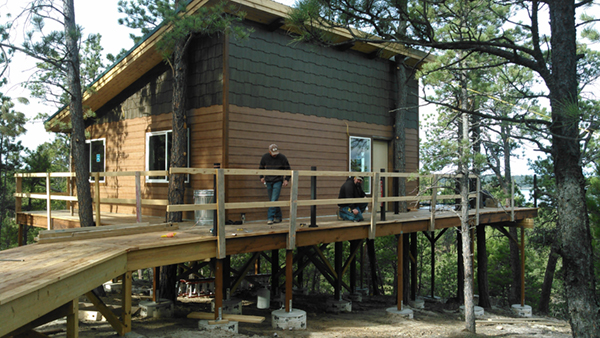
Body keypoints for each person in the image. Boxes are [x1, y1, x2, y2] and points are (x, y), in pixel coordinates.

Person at [259, 144, 291, 225]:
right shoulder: (265, 157)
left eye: (276, 153)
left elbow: (288, 169)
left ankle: (270, 218)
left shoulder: (282, 158)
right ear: (269, 151)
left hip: (278, 180)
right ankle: (279, 217)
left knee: (273, 200)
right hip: (268, 180)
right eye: (273, 153)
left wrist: (286, 179)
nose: (275, 155)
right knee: (273, 200)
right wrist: (261, 177)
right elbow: (261, 167)